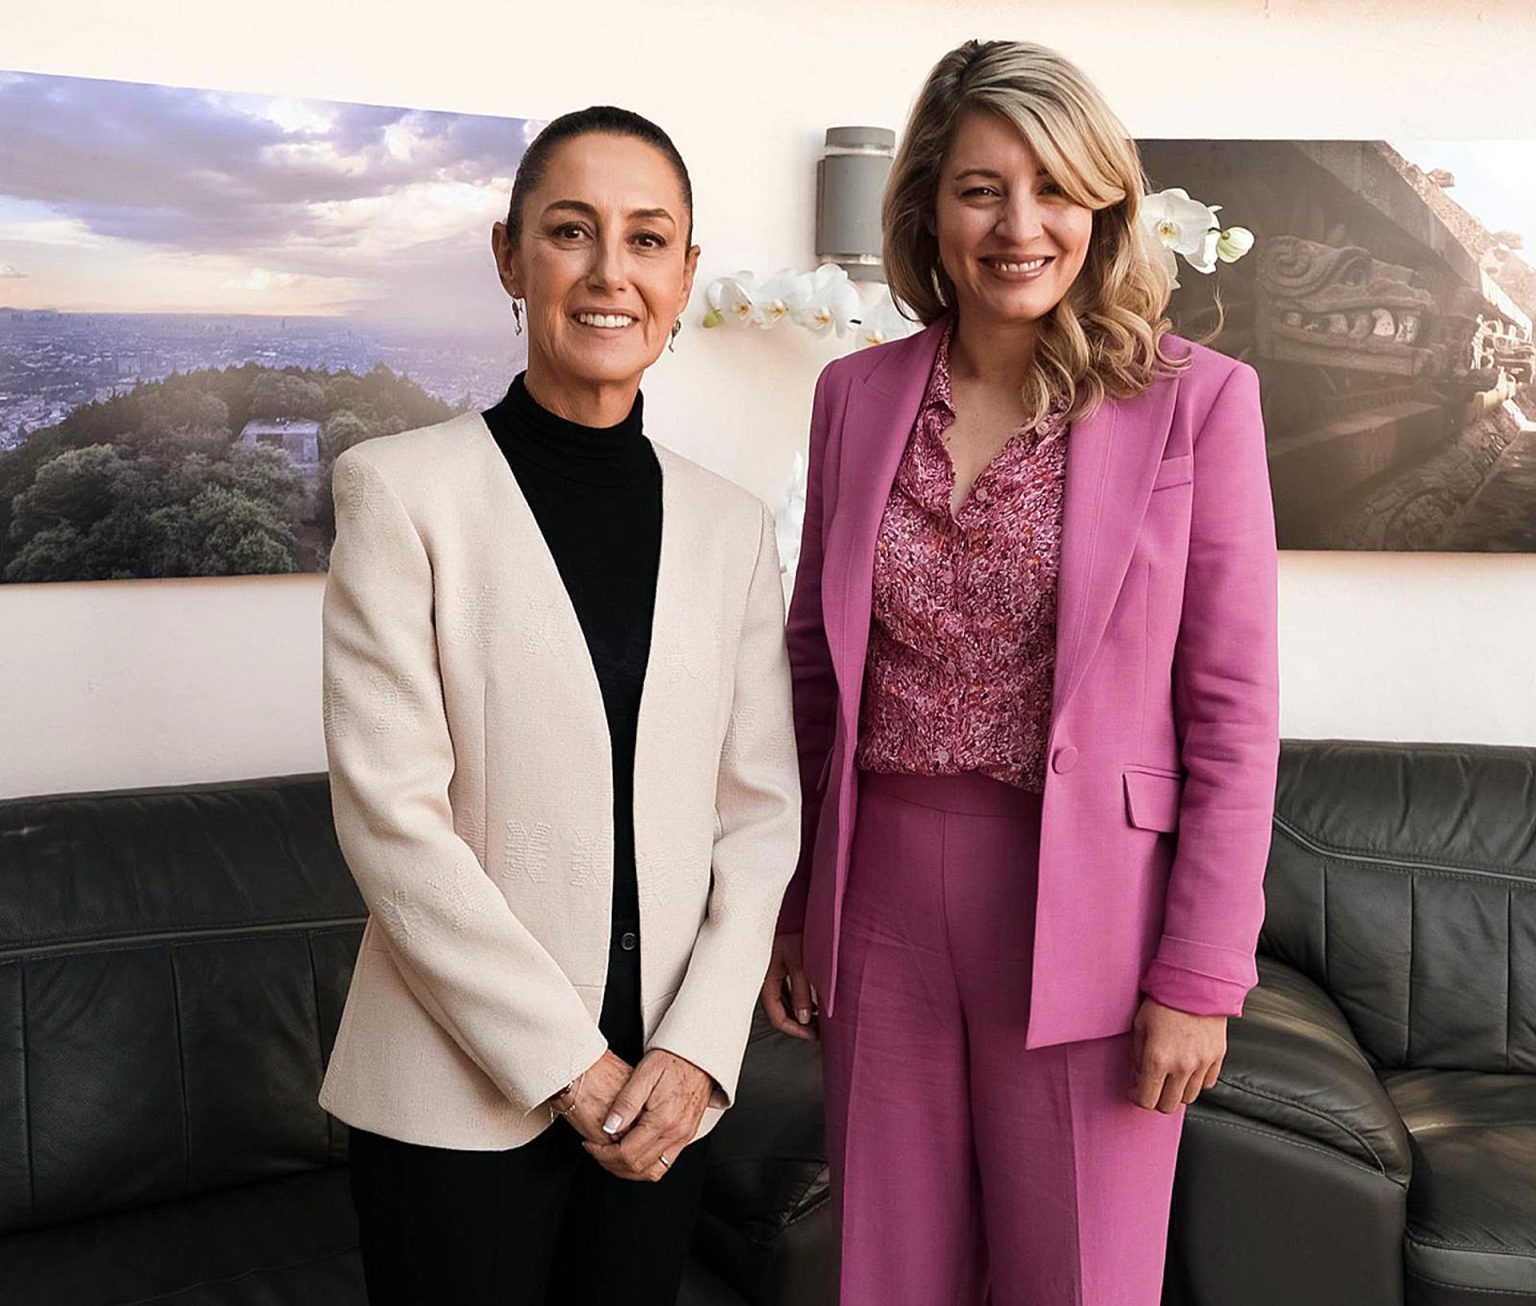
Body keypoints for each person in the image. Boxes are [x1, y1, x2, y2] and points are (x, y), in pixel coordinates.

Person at [761, 39, 1280, 1306]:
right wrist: (787, 905)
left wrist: (1201, 975)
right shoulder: (854, 395)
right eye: (982, 187)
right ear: (929, 204)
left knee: (1082, 1279)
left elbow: (1232, 706)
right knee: (885, 1272)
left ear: (1102, 201)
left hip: (1093, 911)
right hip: (877, 891)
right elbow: (812, 674)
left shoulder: (1194, 402)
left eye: (1055, 186)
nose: (1020, 224)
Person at [318, 105, 800, 1306]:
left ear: (686, 277)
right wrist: (572, 1068)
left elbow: (760, 814)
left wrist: (693, 1052)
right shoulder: (400, 492)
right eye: (571, 231)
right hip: (450, 1097)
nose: (608, 273)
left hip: (665, 1098)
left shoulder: (734, 527)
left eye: (647, 240)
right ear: (509, 256)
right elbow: (393, 823)